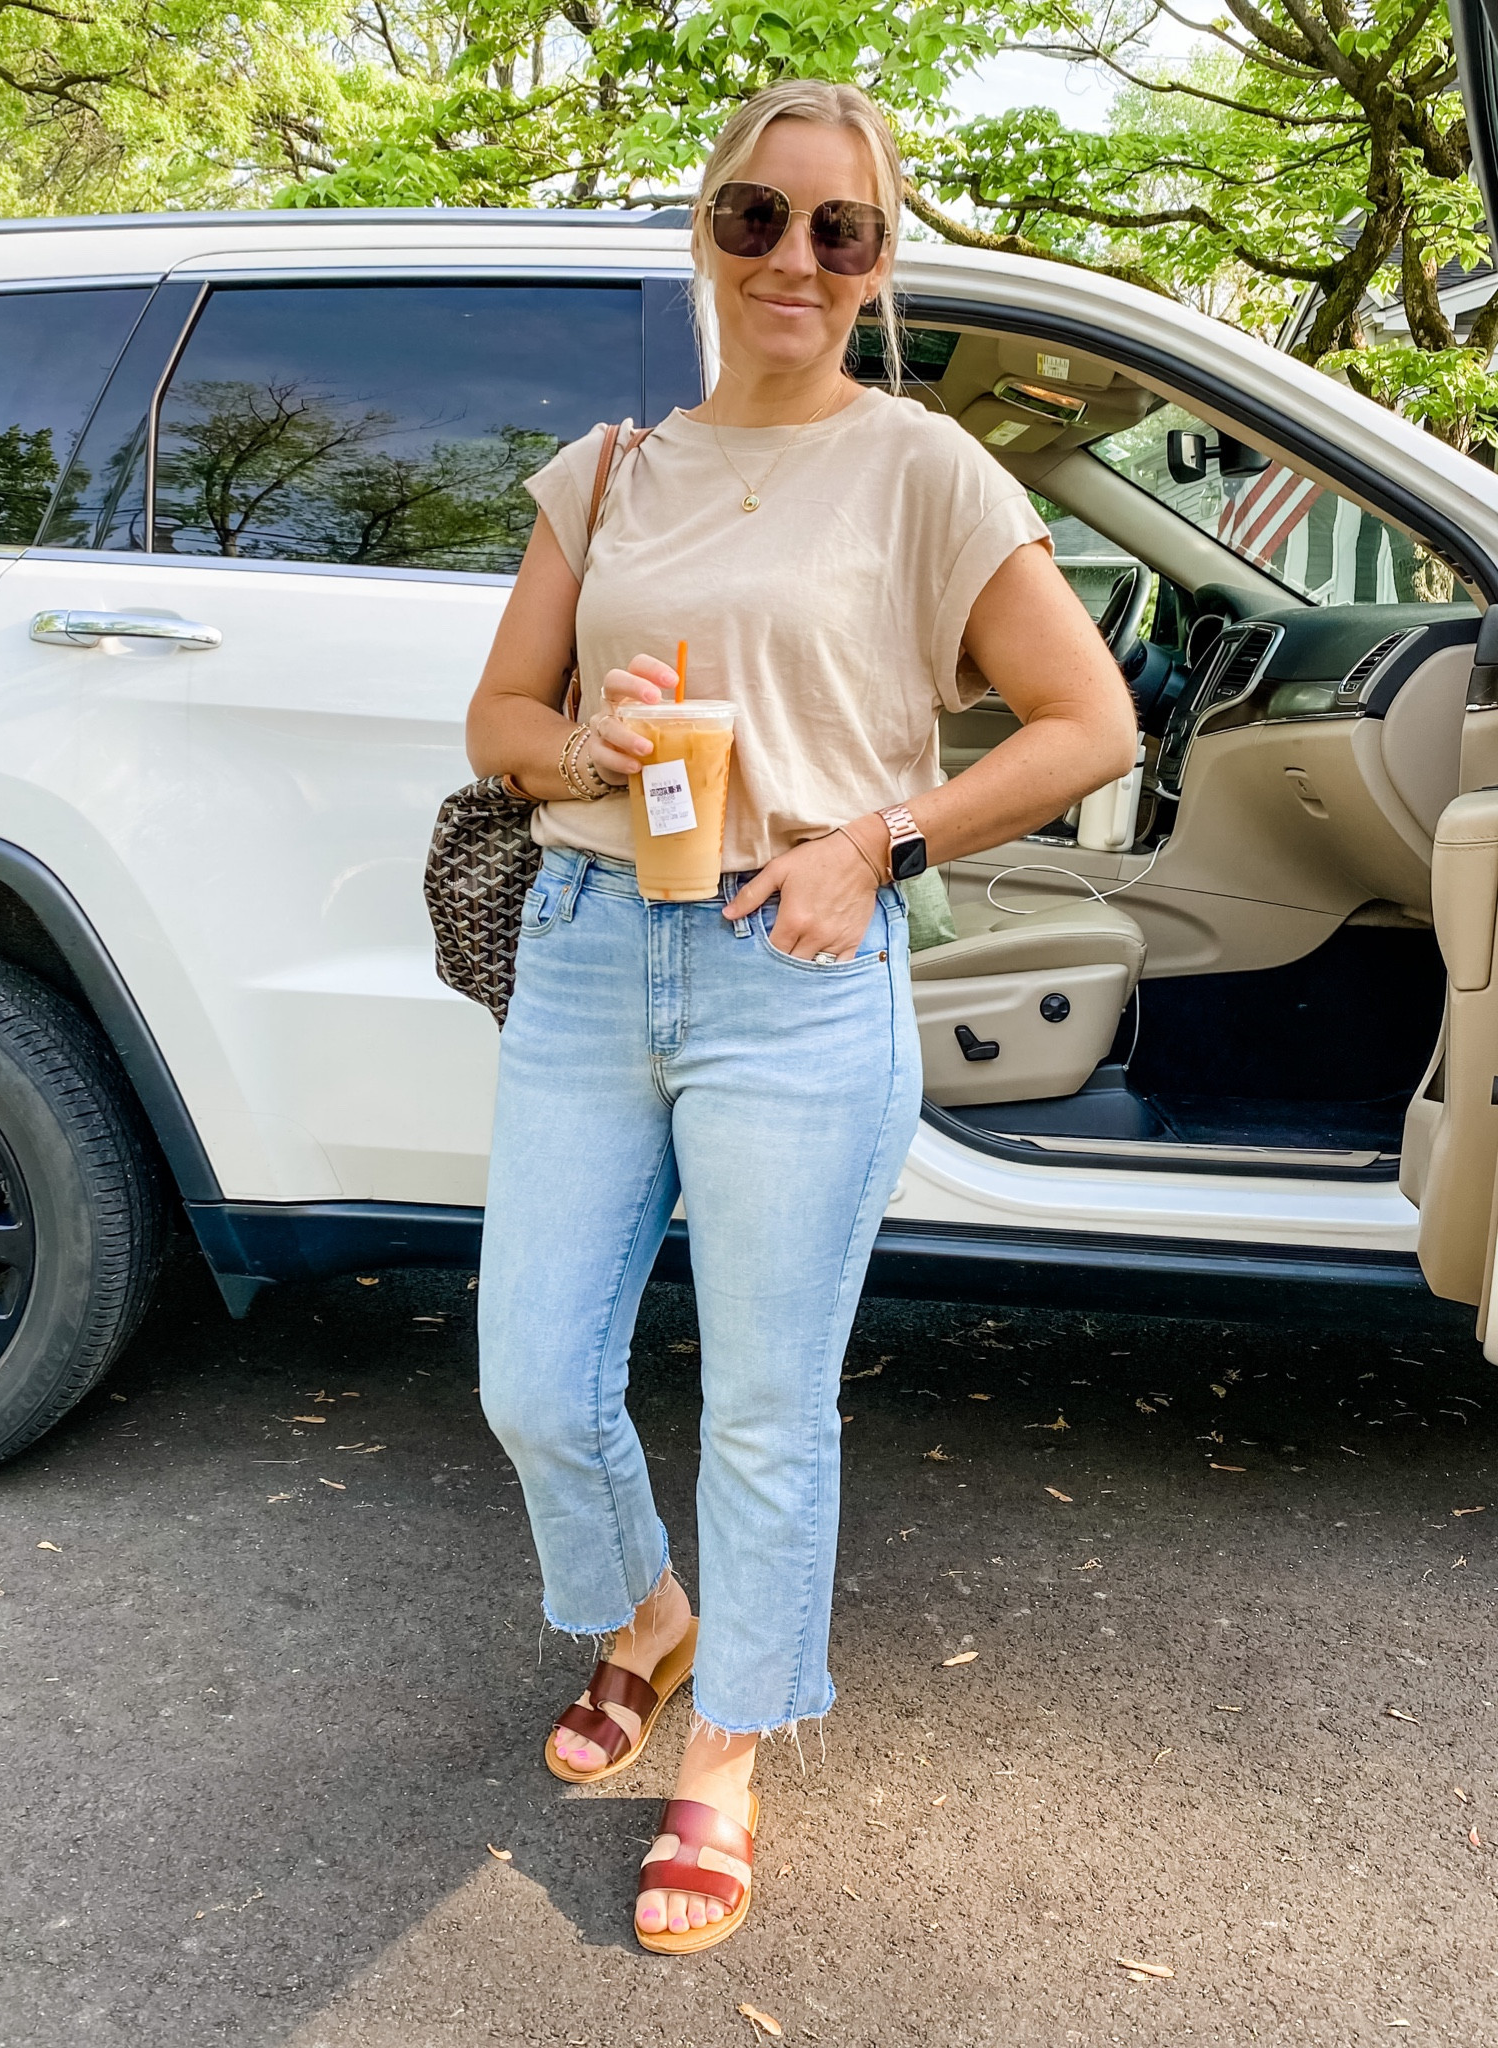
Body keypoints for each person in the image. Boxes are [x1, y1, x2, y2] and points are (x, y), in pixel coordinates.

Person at [466, 77, 1137, 1954]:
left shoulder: (925, 469)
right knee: (533, 1378)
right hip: (591, 940)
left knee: (766, 1404)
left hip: (799, 964)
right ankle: (650, 1617)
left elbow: (1091, 725)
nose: (794, 257)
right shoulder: (611, 471)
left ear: (878, 261)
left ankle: (728, 1746)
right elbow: (498, 723)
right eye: (758, 215)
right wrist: (586, 749)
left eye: (839, 229)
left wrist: (877, 841)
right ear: (708, 229)